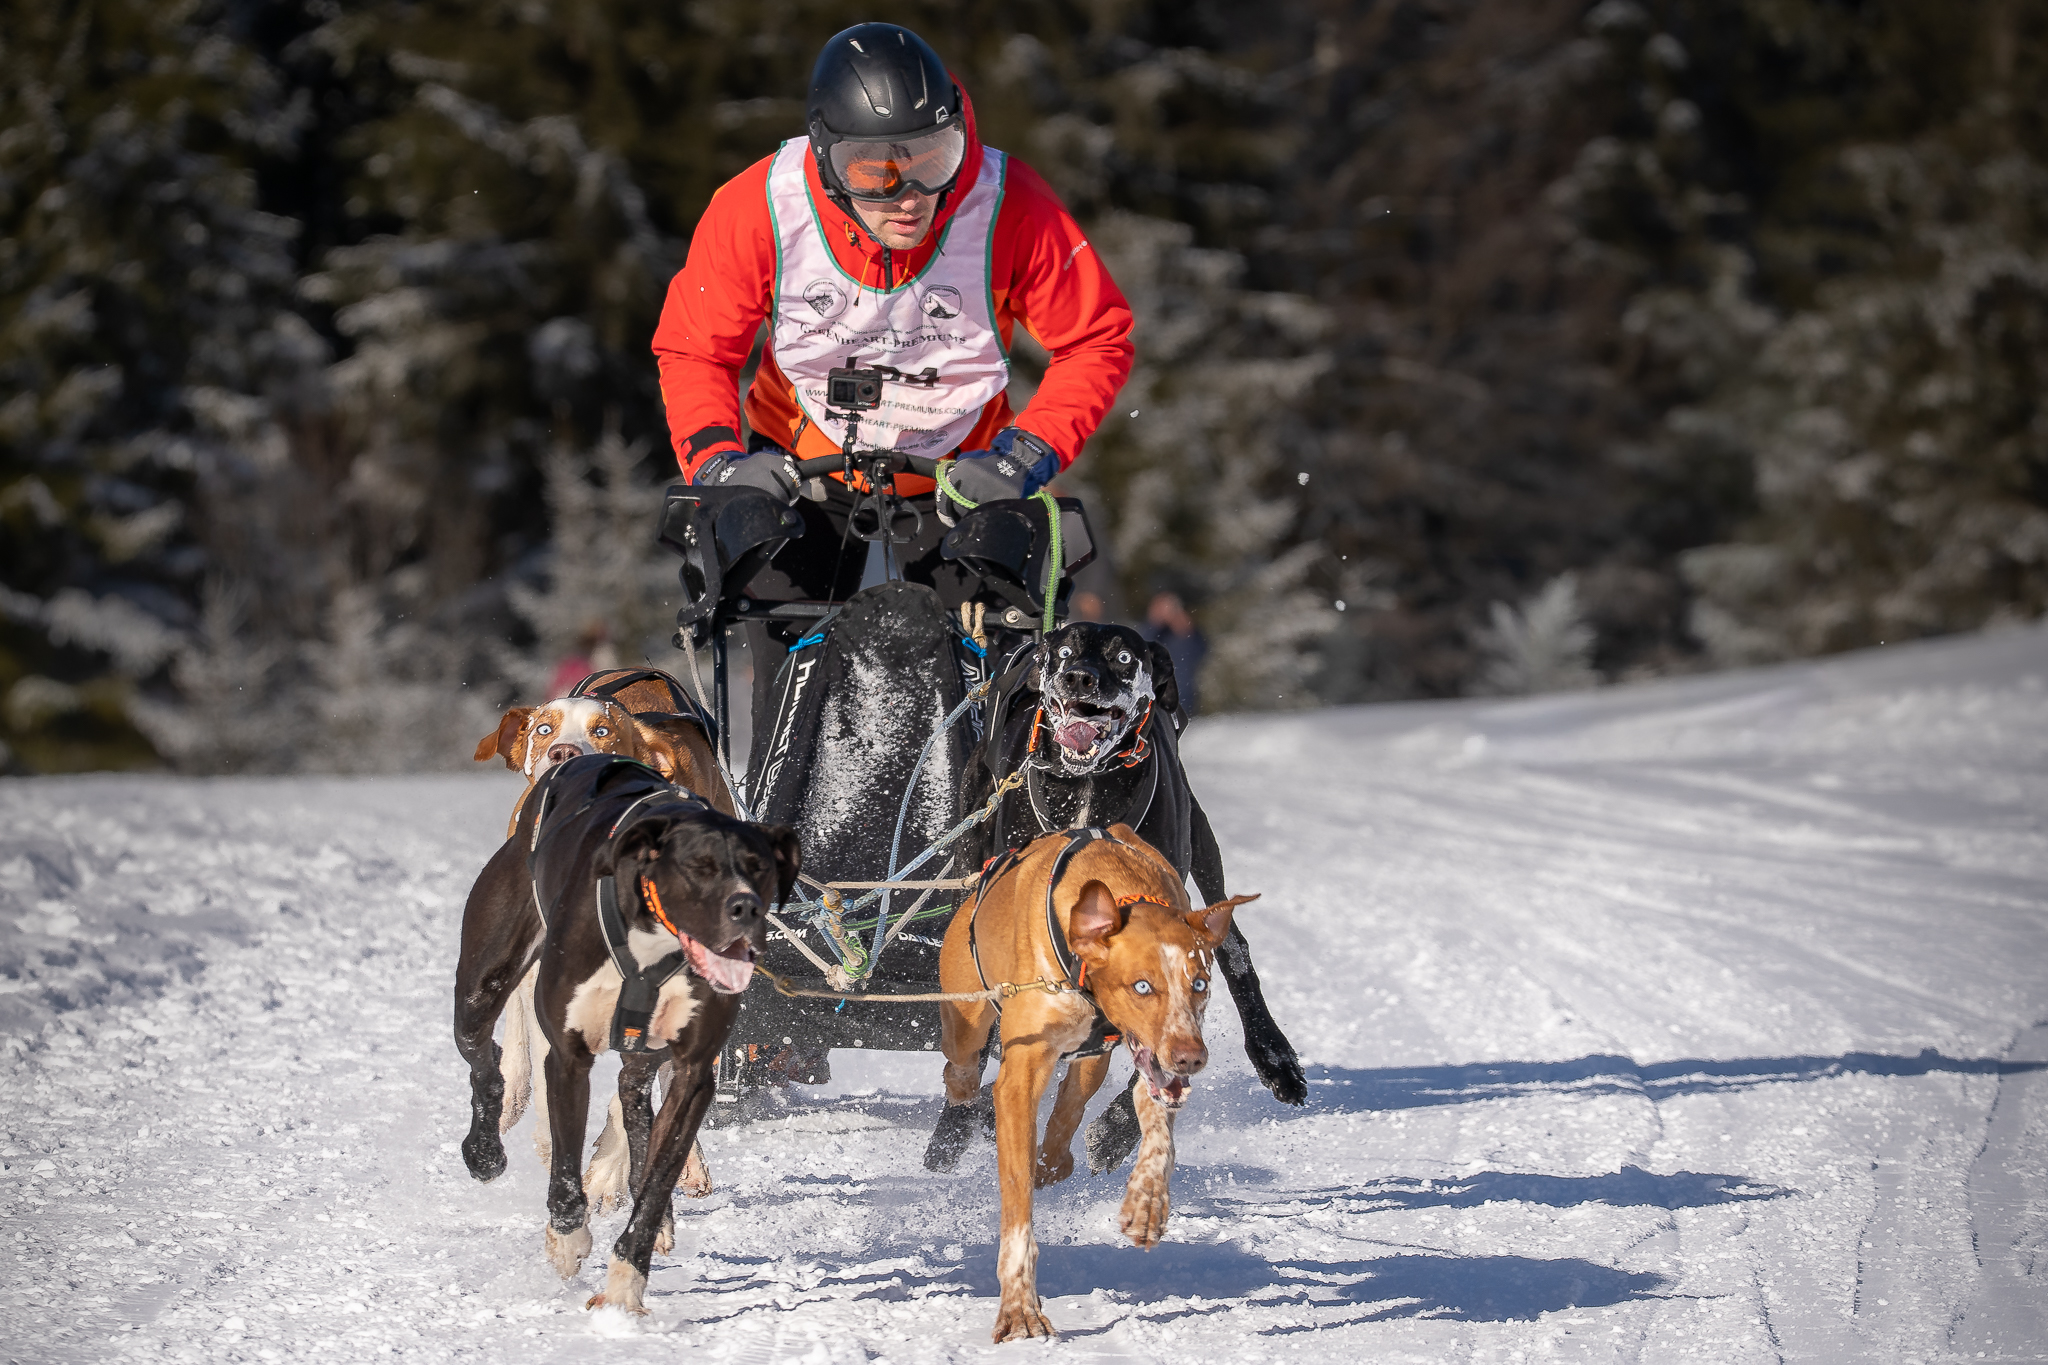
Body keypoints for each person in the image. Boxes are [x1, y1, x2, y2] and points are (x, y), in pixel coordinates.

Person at [651, 21, 1134, 655]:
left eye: (934, 158)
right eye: (873, 172)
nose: (909, 197)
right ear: (826, 156)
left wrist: (1023, 457)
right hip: (800, 468)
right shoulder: (759, 208)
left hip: (962, 471)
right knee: (787, 674)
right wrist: (720, 462)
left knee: (983, 680)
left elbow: (1096, 340)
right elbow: (696, 349)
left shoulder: (1011, 205)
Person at [1142, 590, 1207, 716]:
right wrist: (1154, 622)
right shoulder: (1153, 632)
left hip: (1184, 695)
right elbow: (1142, 650)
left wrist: (1182, 625)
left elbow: (1200, 651)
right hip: (1154, 697)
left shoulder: (1185, 634)